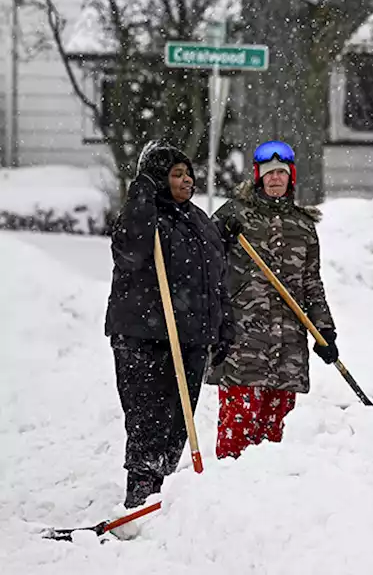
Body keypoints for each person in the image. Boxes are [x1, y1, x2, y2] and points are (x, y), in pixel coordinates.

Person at [105, 142, 235, 508]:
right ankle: (141, 494)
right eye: (176, 174)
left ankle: (162, 493)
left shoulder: (198, 221)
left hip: (191, 340)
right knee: (148, 422)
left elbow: (216, 279)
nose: (187, 180)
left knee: (179, 423)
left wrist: (222, 326)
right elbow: (129, 251)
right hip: (144, 338)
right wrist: (142, 193)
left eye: (188, 173)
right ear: (157, 180)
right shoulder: (144, 216)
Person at [207, 140, 339, 460]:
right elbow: (201, 260)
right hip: (242, 342)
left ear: (291, 177)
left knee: (273, 435)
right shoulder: (234, 215)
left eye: (281, 172)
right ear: (258, 177)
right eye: (269, 173)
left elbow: (311, 283)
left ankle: (264, 501)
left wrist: (325, 331)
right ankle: (223, 493)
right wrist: (219, 237)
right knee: (238, 427)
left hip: (288, 347)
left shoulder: (303, 225)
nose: (275, 179)